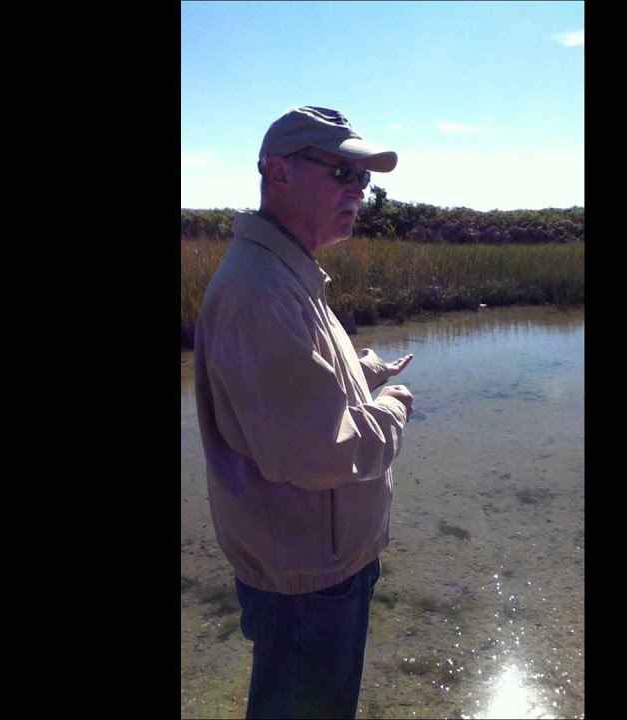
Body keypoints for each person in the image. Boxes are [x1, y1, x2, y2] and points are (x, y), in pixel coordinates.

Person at [193, 105, 416, 719]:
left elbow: (291, 397)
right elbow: (325, 450)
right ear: (277, 172)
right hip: (309, 582)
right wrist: (392, 409)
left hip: (320, 563)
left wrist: (364, 373)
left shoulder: (286, 274)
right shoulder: (261, 292)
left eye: (362, 181)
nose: (357, 193)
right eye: (342, 172)